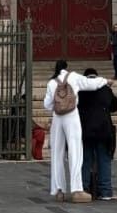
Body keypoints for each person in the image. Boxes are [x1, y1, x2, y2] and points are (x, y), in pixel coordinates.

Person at [42, 58, 109, 202]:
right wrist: (105, 81)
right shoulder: (73, 77)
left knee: (57, 153)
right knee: (75, 151)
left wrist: (58, 105)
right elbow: (91, 84)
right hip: (72, 116)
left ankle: (58, 190)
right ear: (66, 67)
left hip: (57, 118)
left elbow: (47, 104)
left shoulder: (51, 82)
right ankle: (77, 190)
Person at [78, 67, 117, 202]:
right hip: (103, 130)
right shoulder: (105, 89)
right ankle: (106, 191)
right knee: (104, 160)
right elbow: (114, 106)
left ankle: (84, 189)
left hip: (86, 130)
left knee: (85, 160)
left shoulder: (80, 90)